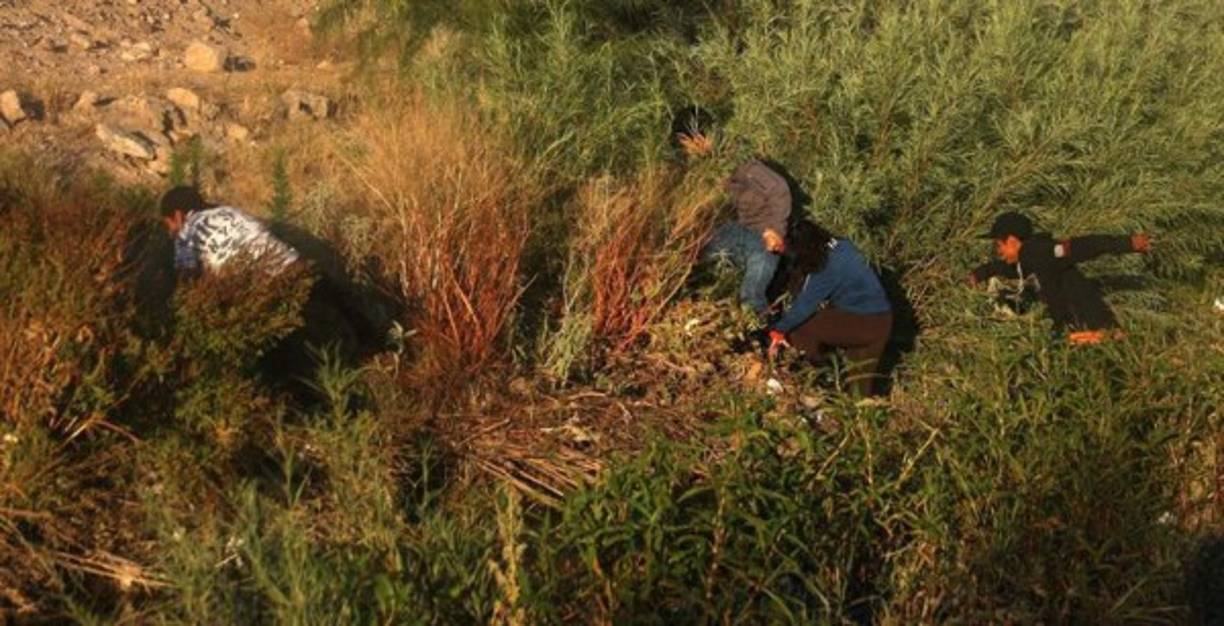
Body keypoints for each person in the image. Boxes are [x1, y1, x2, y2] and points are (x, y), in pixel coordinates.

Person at [672, 106, 792, 320]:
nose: (688, 153)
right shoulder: (715, 162)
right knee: (694, 254)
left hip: (764, 237)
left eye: (686, 146)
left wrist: (775, 230)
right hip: (740, 230)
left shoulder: (740, 161)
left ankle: (763, 329)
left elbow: (779, 188)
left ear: (697, 138)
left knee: (751, 296)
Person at [970, 211, 1152, 344]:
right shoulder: (1030, 257)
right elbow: (1007, 268)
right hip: (1075, 324)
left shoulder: (1041, 251)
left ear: (1011, 241)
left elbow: (1085, 245)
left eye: (999, 245)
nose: (999, 252)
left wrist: (1127, 243)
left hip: (1088, 323)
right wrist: (980, 274)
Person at [766, 221, 893, 396]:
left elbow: (804, 307)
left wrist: (778, 330)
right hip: (883, 322)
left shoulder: (826, 268)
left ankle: (815, 377)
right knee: (858, 389)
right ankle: (857, 408)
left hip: (863, 323)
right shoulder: (843, 245)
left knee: (801, 326)